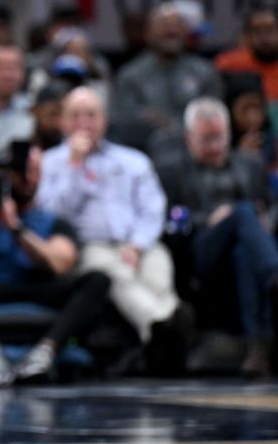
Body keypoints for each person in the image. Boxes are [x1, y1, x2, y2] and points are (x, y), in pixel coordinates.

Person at [0, 141, 112, 385]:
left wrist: (17, 228)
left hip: (39, 288)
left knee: (98, 280)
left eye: (36, 171)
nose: (30, 178)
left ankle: (45, 351)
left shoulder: (51, 220)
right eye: (24, 170)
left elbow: (60, 265)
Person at [155, 98, 278, 378]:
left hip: (247, 249)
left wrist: (267, 222)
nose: (215, 146)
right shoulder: (172, 170)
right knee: (241, 212)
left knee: (243, 249)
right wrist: (210, 218)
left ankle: (257, 350)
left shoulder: (249, 164)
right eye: (206, 139)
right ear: (189, 138)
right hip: (200, 250)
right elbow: (169, 218)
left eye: (220, 138)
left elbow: (274, 205)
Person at [36, 87, 187, 367]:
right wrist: (74, 166)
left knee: (158, 271)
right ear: (63, 122)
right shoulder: (49, 164)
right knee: (114, 273)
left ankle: (161, 334)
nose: (84, 122)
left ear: (104, 121)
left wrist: (138, 245)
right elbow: (52, 215)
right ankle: (164, 324)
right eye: (75, 115)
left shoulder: (133, 161)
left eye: (91, 115)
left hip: (138, 241)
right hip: (89, 247)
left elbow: (153, 209)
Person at [110, 1, 223, 152]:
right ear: (148, 32)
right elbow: (125, 121)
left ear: (185, 32)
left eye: (176, 25)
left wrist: (170, 125)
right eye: (163, 24)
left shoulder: (204, 72)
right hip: (147, 152)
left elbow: (214, 114)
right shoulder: (130, 75)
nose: (170, 29)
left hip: (196, 152)